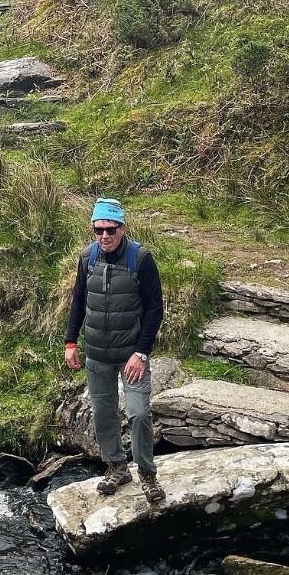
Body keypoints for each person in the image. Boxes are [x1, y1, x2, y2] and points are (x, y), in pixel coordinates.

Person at [64, 198, 165, 503]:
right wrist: (71, 342)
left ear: (123, 227)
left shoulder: (141, 259)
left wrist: (141, 352)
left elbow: (155, 309)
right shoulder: (87, 258)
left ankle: (147, 475)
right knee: (104, 415)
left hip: (131, 354)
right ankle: (117, 468)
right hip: (97, 354)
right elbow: (78, 302)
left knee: (138, 414)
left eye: (111, 229)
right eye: (99, 230)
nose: (104, 236)